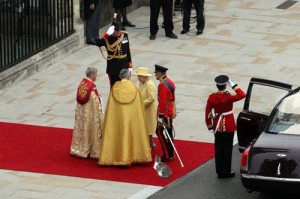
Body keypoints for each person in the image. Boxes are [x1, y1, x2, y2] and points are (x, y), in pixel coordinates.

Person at [98, 69, 152, 166]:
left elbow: (110, 108)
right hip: (131, 119)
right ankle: (134, 156)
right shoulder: (134, 89)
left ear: (120, 76)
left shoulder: (115, 89)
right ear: (128, 76)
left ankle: (114, 157)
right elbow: (139, 107)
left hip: (118, 120)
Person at [205, 75, 246, 178]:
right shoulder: (229, 97)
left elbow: (208, 112)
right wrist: (232, 84)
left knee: (218, 149)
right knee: (227, 150)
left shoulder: (212, 97)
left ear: (216, 85)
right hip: (228, 126)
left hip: (217, 126)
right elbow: (242, 94)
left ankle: (219, 171)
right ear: (225, 86)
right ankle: (226, 171)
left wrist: (210, 125)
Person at [70, 67, 104, 159]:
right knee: (89, 129)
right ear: (92, 75)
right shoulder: (91, 87)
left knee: (81, 129)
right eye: (96, 74)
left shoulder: (82, 83)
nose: (96, 76)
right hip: (89, 114)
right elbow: (95, 101)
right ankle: (88, 150)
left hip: (81, 114)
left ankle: (77, 148)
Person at [96, 21, 133, 88]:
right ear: (113, 30)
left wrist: (130, 64)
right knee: (114, 87)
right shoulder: (107, 38)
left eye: (119, 30)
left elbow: (127, 50)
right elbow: (98, 43)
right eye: (116, 31)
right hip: (113, 67)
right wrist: (106, 34)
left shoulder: (124, 35)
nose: (118, 32)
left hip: (124, 65)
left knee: (125, 86)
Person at [154, 64, 176, 162]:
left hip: (165, 113)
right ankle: (170, 153)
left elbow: (162, 101)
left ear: (159, 73)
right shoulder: (169, 81)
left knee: (159, 131)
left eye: (156, 73)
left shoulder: (162, 85)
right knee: (169, 132)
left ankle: (167, 153)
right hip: (170, 110)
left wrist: (161, 116)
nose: (155, 75)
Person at [134, 67, 157, 150]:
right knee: (145, 126)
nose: (138, 78)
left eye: (139, 76)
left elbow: (151, 98)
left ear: (144, 76)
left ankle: (149, 144)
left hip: (149, 109)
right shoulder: (142, 83)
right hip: (143, 108)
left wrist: (141, 104)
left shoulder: (150, 85)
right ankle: (149, 143)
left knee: (149, 126)